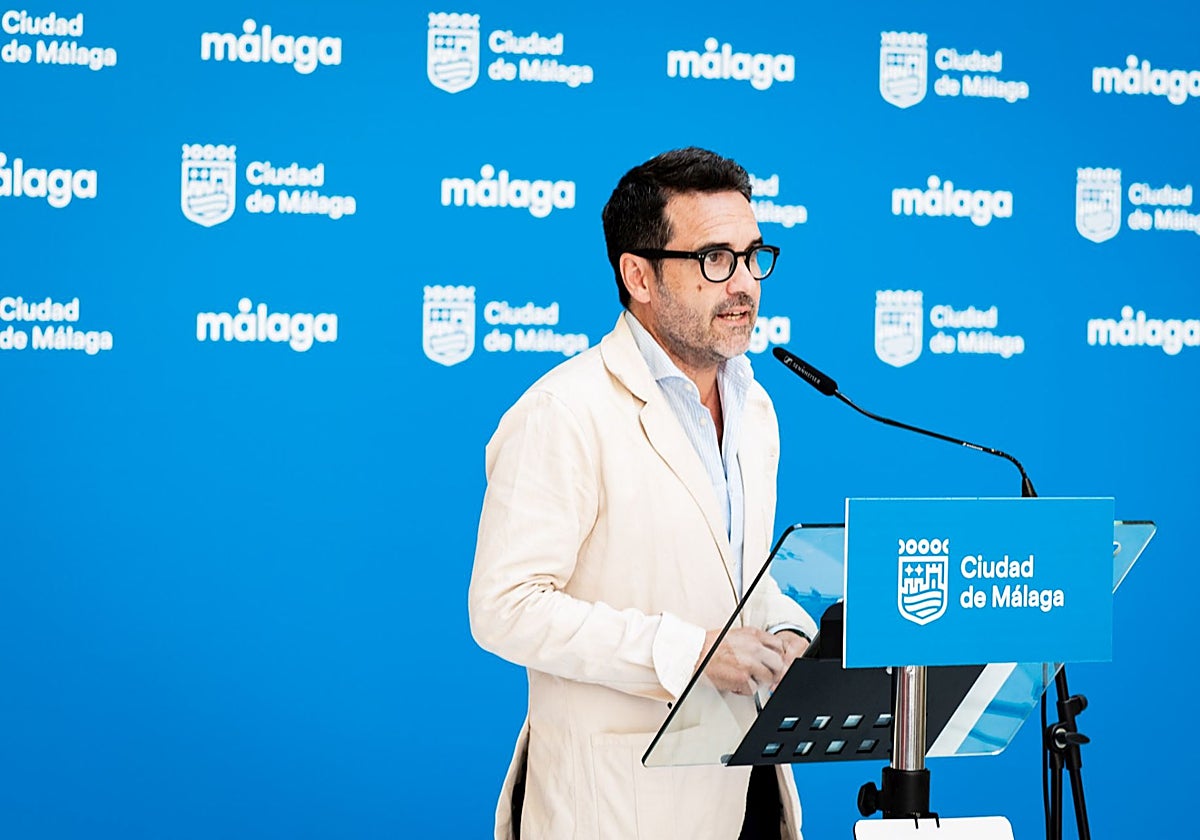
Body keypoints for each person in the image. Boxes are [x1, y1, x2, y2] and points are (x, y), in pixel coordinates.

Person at [468, 147, 817, 840]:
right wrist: (688, 653)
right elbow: (504, 607)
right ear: (638, 276)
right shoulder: (564, 411)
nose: (744, 284)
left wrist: (789, 632)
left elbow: (730, 577)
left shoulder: (756, 408)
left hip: (745, 788)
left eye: (753, 256)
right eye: (714, 259)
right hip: (615, 804)